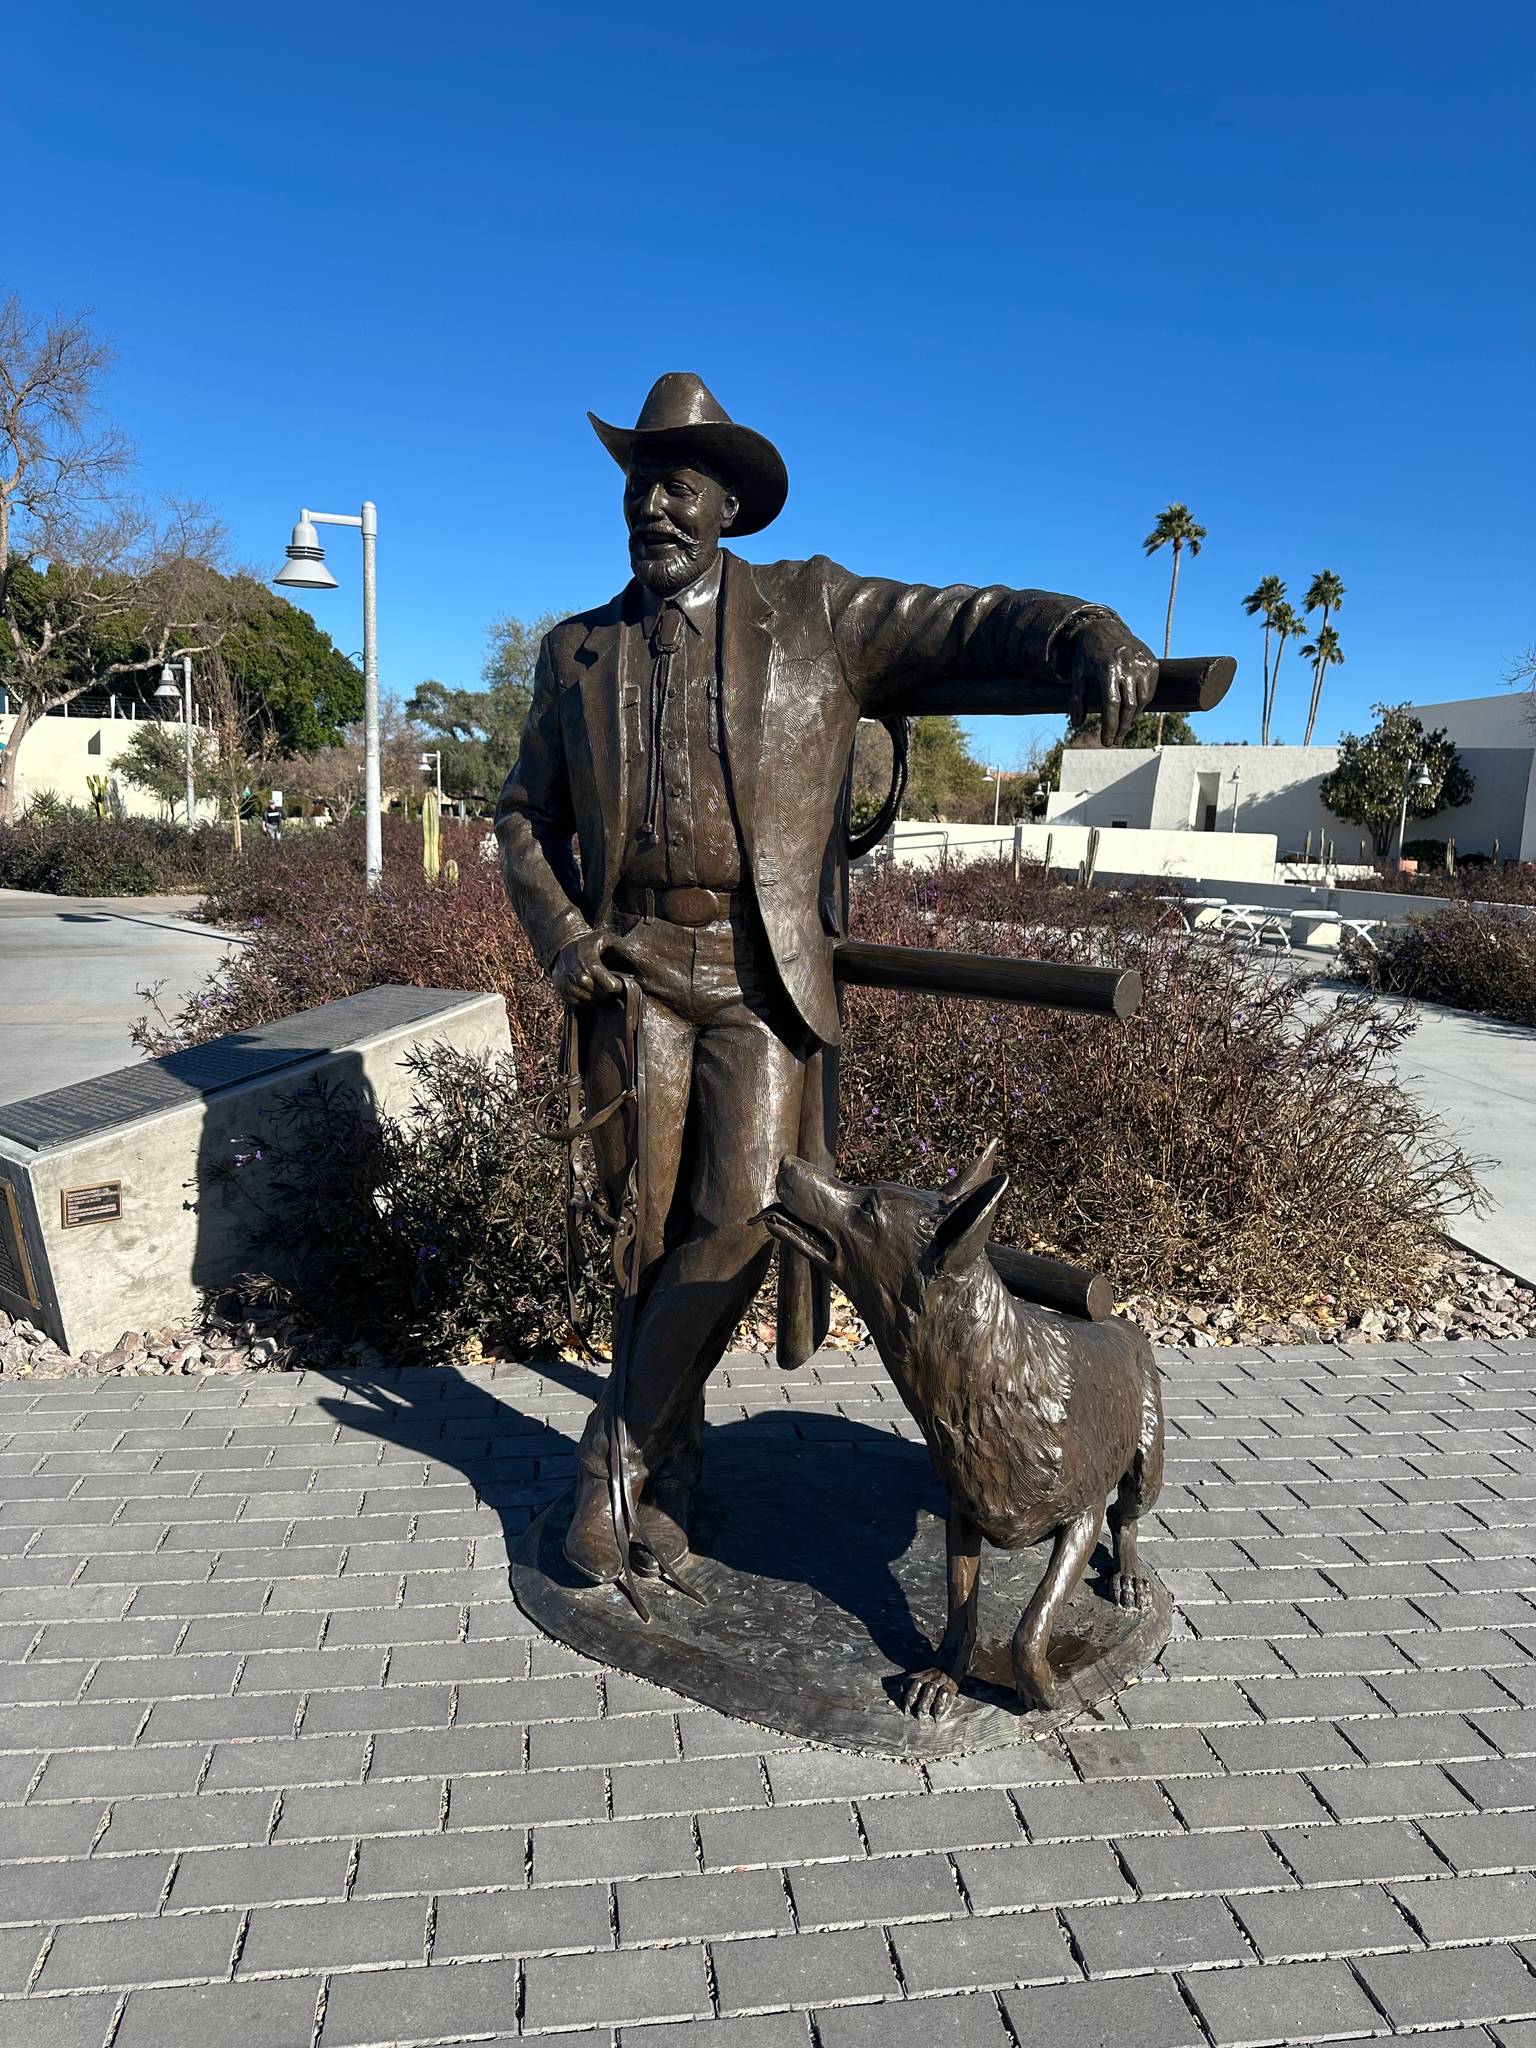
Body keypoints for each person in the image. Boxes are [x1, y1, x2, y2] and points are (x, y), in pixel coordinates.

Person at [496, 373, 1158, 1590]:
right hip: (633, 969)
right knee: (642, 1237)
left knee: (746, 1217)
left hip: (757, 981)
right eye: (639, 478)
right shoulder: (573, 652)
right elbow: (521, 814)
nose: (653, 500)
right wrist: (559, 938)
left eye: (679, 479)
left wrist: (1086, 628)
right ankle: (670, 1474)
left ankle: (612, 1460)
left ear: (729, 502)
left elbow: (964, 621)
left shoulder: (813, 610)